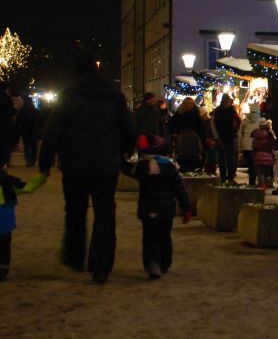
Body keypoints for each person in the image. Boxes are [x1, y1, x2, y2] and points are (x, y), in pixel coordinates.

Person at [38, 53, 136, 284]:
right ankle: (101, 266)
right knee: (105, 213)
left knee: (75, 210)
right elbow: (130, 130)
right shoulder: (115, 96)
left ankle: (74, 256)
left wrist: (45, 164)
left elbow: (52, 133)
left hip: (74, 163)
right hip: (105, 164)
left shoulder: (68, 96)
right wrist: (123, 152)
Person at [121, 135, 192, 280]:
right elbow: (180, 189)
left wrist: (121, 154)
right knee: (165, 236)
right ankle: (165, 263)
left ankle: (153, 263)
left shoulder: (142, 166)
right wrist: (187, 209)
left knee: (150, 237)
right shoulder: (171, 167)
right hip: (167, 210)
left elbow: (126, 169)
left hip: (148, 209)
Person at [0, 166, 47, 281]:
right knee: (4, 245)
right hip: (4, 221)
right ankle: (2, 271)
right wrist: (42, 175)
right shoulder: (8, 181)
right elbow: (28, 187)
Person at [213, 94, 241, 184]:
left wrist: (235, 131)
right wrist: (217, 137)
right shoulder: (218, 111)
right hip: (223, 137)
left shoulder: (231, 111)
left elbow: (238, 121)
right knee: (223, 158)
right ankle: (224, 176)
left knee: (230, 158)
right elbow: (214, 124)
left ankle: (229, 177)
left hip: (230, 136)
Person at [15, 95, 43, 167]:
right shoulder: (35, 110)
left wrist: (17, 129)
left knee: (26, 146)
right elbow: (41, 120)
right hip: (33, 130)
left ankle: (28, 161)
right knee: (34, 146)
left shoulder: (22, 110)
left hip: (25, 130)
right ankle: (33, 160)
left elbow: (17, 121)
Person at [251, 118, 278, 189]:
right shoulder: (269, 134)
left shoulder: (256, 135)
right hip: (268, 156)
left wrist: (254, 154)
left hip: (258, 156)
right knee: (267, 172)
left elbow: (254, 146)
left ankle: (262, 185)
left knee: (260, 172)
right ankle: (268, 184)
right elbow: (274, 145)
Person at [238, 103, 260, 185]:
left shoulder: (244, 121)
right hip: (256, 146)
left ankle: (251, 181)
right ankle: (253, 181)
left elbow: (240, 135)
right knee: (255, 165)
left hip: (246, 147)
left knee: (250, 165)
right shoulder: (260, 121)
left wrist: (239, 148)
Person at [0, 83, 16, 166]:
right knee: (4, 146)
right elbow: (12, 112)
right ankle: (4, 164)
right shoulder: (7, 100)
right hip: (5, 127)